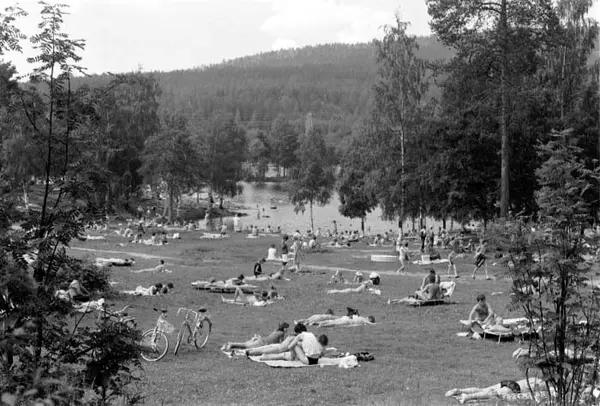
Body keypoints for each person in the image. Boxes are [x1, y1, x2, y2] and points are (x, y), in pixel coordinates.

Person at [260, 328, 328, 365]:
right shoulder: (311, 335)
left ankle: (291, 357)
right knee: (296, 345)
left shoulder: (299, 336)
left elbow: (290, 347)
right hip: (316, 360)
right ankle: (291, 356)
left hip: (308, 360)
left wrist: (293, 343)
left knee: (294, 345)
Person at [223, 322, 289, 350]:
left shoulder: (276, 330)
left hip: (262, 340)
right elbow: (281, 344)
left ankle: (232, 344)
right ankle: (232, 344)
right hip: (262, 343)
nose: (287, 330)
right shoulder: (281, 333)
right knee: (246, 346)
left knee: (245, 344)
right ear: (284, 328)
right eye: (287, 328)